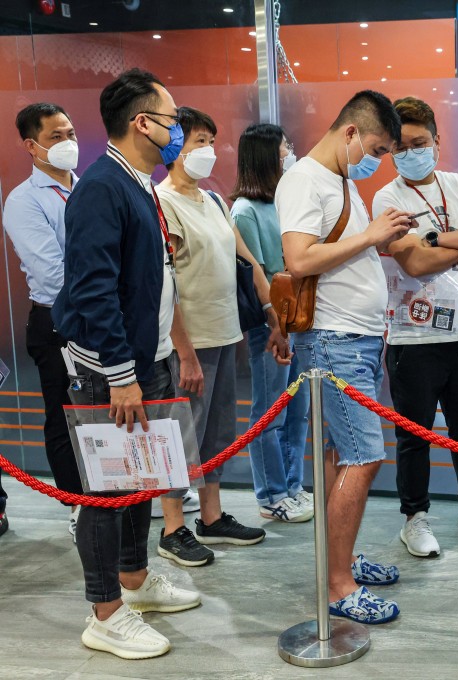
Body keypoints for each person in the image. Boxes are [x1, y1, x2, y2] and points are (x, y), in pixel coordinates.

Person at [52, 67, 201, 659]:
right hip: (111, 370)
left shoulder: (136, 180)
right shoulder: (101, 187)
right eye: (171, 118)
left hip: (149, 356)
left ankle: (135, 578)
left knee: (140, 478)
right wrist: (120, 375)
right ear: (143, 123)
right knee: (107, 491)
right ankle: (105, 610)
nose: (178, 130)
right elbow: (91, 290)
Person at [278, 90, 414, 624]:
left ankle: (342, 559)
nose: (376, 161)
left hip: (355, 338)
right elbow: (299, 258)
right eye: (377, 149)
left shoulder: (337, 181)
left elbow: (335, 252)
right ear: (351, 132)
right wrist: (373, 235)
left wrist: (377, 239)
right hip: (334, 340)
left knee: (341, 456)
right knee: (364, 456)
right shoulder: (306, 179)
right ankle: (338, 585)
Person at [372, 96, 458, 559]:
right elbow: (413, 264)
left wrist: (435, 238)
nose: (411, 152)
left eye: (420, 143)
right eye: (401, 147)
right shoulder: (387, 197)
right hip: (413, 338)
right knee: (413, 435)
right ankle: (414, 518)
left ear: (437, 140)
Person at [154, 107, 288, 567]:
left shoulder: (212, 200)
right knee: (179, 435)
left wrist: (269, 308)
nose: (208, 152)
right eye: (198, 142)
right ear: (173, 148)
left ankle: (210, 517)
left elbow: (244, 257)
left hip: (224, 334)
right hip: (186, 344)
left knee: (216, 432)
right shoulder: (162, 202)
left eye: (211, 141)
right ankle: (173, 527)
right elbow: (164, 284)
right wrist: (185, 353)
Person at [2, 103, 81, 541]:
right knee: (65, 417)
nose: (68, 143)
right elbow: (52, 271)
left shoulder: (85, 187)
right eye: (56, 136)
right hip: (58, 321)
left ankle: (108, 498)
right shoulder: (24, 200)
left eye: (70, 133)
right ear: (31, 146)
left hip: (101, 318)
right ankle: (77, 506)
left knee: (101, 414)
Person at [231, 123, 313, 523]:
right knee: (269, 412)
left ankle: (294, 485)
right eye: (285, 147)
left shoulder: (285, 201)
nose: (290, 152)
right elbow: (256, 273)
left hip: (300, 317)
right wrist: (275, 323)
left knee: (297, 408)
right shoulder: (244, 211)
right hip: (270, 324)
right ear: (266, 155)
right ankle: (271, 494)